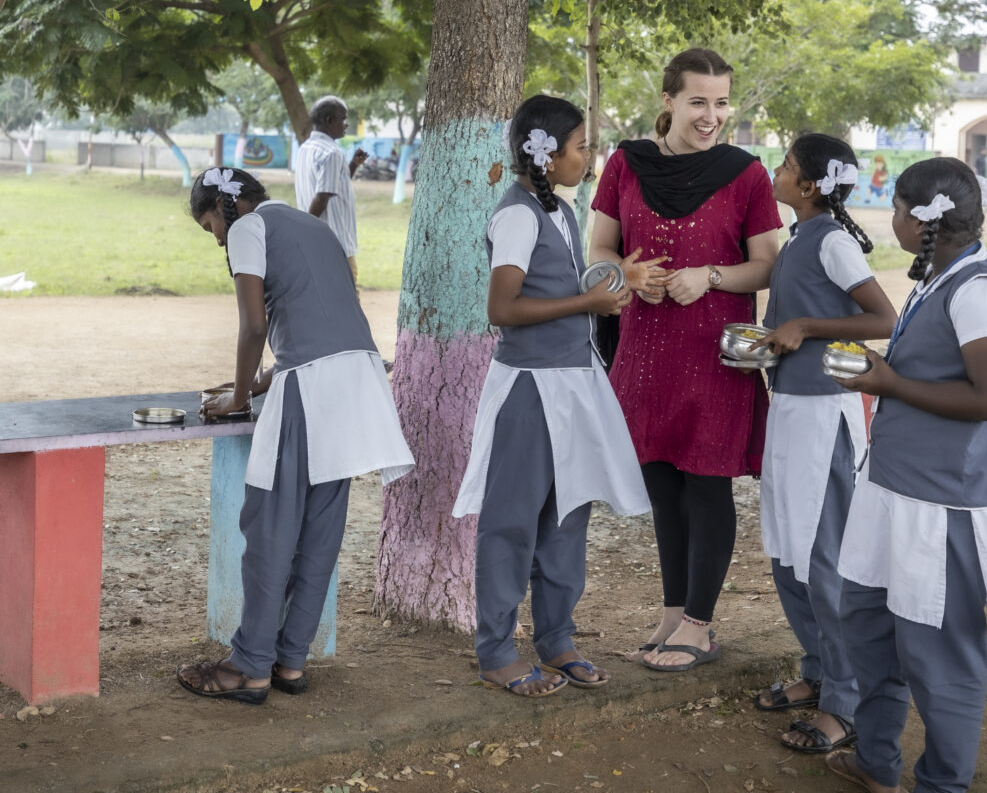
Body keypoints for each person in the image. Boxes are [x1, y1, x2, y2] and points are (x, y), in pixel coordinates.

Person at [177, 167, 413, 703]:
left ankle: (249, 667)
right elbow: (316, 315)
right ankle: (289, 661)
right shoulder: (309, 224)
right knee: (319, 533)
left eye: (209, 224)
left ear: (225, 206)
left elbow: (256, 326)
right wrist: (258, 381)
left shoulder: (246, 229)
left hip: (311, 390)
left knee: (270, 531)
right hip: (359, 383)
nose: (216, 238)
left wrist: (238, 398)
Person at [826, 157, 987, 793]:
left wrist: (891, 381)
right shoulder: (940, 278)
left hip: (943, 504)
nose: (892, 220)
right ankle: (875, 759)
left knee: (940, 656)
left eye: (897, 209)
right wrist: (890, 373)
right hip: (894, 487)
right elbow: (934, 371)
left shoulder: (978, 291)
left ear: (919, 220)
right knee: (870, 624)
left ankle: (943, 782)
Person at [587, 46, 782, 672]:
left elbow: (768, 264)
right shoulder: (625, 163)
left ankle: (700, 625)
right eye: (698, 101)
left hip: (714, 352)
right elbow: (600, 247)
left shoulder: (747, 174)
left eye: (721, 102)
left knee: (706, 483)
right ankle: (673, 614)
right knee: (662, 482)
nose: (712, 115)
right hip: (643, 351)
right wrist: (629, 273)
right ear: (668, 99)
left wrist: (713, 277)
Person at [452, 96, 649, 697]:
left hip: (572, 382)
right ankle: (494, 650)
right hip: (530, 387)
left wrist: (618, 282)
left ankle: (557, 639)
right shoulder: (516, 215)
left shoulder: (559, 211)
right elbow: (503, 308)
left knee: (567, 514)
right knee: (512, 521)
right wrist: (588, 304)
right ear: (547, 151)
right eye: (582, 146)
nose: (589, 156)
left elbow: (566, 287)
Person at [749, 135, 897, 755]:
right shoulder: (799, 239)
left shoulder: (833, 242)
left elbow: (882, 318)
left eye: (784, 166)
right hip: (789, 406)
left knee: (823, 558)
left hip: (824, 416)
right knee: (786, 550)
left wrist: (806, 327)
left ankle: (846, 700)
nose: (776, 173)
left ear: (809, 185)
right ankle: (819, 671)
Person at [294, 95, 367, 284]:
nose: (346, 124)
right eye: (343, 119)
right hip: (336, 244)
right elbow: (322, 197)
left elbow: (332, 184)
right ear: (329, 121)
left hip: (316, 244)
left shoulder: (306, 149)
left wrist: (352, 165)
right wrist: (306, 231)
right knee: (348, 302)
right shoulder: (331, 152)